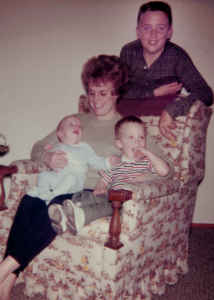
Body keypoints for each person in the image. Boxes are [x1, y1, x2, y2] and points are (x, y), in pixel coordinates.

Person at [0, 55, 174, 299]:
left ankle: (1, 271)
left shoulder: (127, 129)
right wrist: (47, 157)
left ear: (116, 93)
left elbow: (168, 169)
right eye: (92, 92)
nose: (95, 99)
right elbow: (39, 146)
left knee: (56, 204)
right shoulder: (76, 121)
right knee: (30, 200)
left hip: (95, 194)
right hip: (63, 184)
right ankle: (6, 284)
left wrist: (139, 176)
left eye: (103, 93)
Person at [120, 1, 213, 140]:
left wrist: (171, 110)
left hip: (159, 119)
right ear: (138, 32)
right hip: (126, 120)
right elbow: (118, 89)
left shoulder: (177, 56)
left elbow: (205, 92)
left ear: (169, 32)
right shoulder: (128, 52)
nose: (153, 34)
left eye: (160, 28)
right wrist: (155, 92)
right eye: (146, 28)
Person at [27, 115, 116, 207]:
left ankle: (52, 197)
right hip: (57, 177)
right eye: (71, 124)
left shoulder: (83, 147)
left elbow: (95, 160)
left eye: (79, 127)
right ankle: (42, 189)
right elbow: (40, 147)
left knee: (70, 178)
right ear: (60, 134)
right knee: (44, 175)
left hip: (75, 182)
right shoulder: (56, 145)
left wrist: (107, 162)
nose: (76, 127)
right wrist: (48, 150)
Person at [94, 116, 169, 196]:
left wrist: (148, 153)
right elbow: (103, 181)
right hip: (116, 203)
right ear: (119, 143)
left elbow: (164, 171)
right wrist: (100, 189)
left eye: (141, 137)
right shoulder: (114, 162)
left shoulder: (147, 162)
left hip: (137, 204)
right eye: (130, 137)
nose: (137, 142)